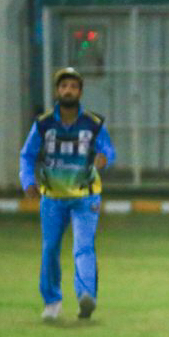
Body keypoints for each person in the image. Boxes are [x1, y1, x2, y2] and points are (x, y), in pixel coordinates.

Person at [19, 67, 117, 322]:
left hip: (86, 196)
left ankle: (86, 297)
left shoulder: (93, 123)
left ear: (80, 92)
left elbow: (109, 150)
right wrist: (27, 181)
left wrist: (105, 159)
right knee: (50, 248)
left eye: (73, 86)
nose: (68, 91)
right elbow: (27, 155)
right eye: (64, 86)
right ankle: (52, 301)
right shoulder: (43, 123)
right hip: (52, 198)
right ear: (57, 91)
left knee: (83, 247)